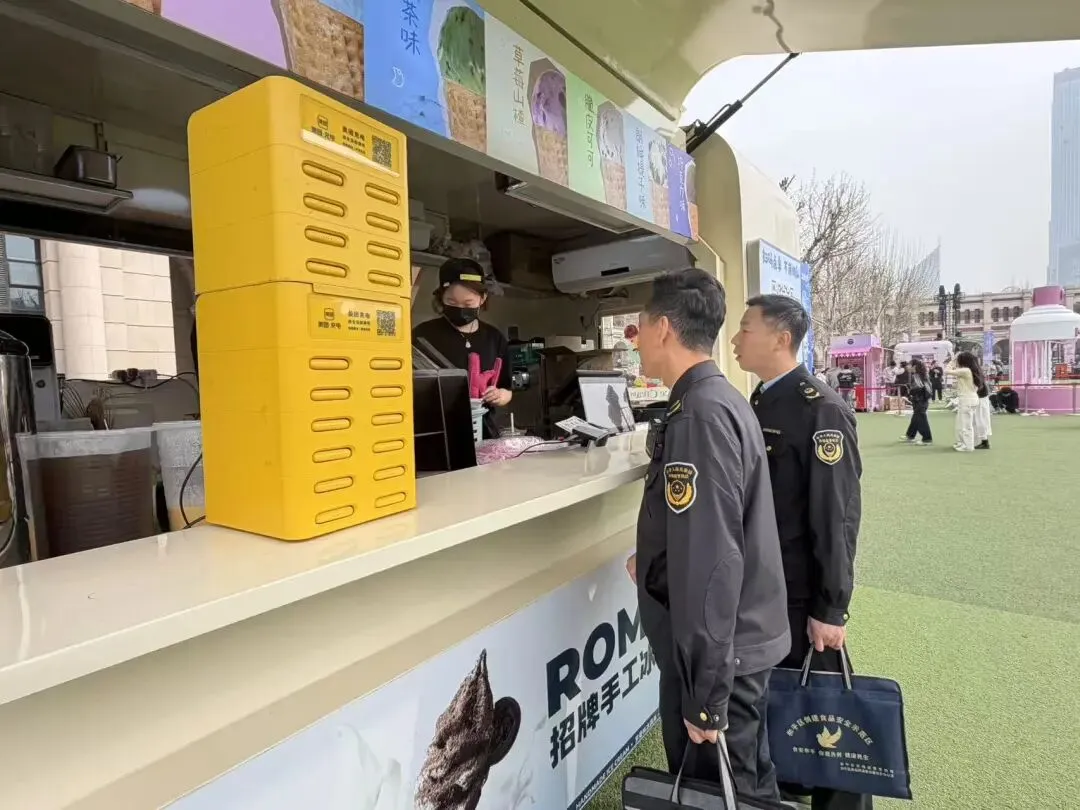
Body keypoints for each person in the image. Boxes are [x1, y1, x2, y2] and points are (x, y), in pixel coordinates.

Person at [626, 270, 790, 801]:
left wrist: (705, 694)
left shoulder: (698, 415)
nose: (636, 338)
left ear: (664, 329)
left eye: (640, 326)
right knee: (747, 785)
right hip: (734, 648)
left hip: (721, 657)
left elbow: (711, 564)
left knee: (719, 791)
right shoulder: (714, 398)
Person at [732, 294, 871, 810]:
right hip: (765, 586)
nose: (735, 340)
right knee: (781, 707)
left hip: (800, 592)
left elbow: (836, 518)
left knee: (827, 714)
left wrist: (831, 607)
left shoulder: (822, 409)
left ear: (781, 338)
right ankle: (787, 791)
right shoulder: (761, 399)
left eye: (746, 329)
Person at [412, 258, 512, 438]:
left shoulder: (494, 338)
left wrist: (499, 396)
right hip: (434, 433)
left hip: (482, 433)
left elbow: (507, 389)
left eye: (468, 304)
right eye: (451, 302)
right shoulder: (422, 336)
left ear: (482, 299)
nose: (460, 309)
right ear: (441, 298)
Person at [946, 351, 982, 452]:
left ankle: (968, 446)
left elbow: (947, 371)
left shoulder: (965, 370)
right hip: (969, 398)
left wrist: (953, 360)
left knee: (966, 425)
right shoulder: (970, 370)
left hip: (967, 399)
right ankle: (963, 443)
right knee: (962, 423)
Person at [902, 358, 932, 445]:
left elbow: (917, 388)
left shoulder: (916, 376)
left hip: (920, 400)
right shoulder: (922, 375)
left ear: (914, 366)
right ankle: (910, 435)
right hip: (922, 400)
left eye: (909, 364)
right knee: (916, 417)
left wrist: (909, 395)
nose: (907, 366)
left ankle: (927, 439)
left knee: (921, 418)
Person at [974, 376, 993, 450]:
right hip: (980, 398)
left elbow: (979, 387)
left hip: (980, 399)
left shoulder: (975, 375)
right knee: (979, 420)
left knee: (980, 420)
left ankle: (985, 442)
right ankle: (983, 441)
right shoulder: (977, 374)